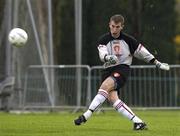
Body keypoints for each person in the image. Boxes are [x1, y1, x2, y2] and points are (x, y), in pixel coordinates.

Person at [74, 14, 169, 130]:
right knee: (113, 99)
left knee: (105, 86)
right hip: (107, 70)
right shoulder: (103, 39)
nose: (114, 29)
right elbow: (102, 54)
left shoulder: (128, 40)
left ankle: (86, 115)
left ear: (122, 27)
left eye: (117, 27)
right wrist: (108, 57)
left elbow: (143, 52)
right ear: (109, 25)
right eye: (112, 26)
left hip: (122, 69)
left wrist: (157, 63)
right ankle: (138, 122)